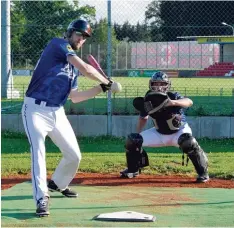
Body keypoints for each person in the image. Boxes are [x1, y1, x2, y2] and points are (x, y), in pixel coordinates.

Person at [21, 19, 115, 217]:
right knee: (38, 152)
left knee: (74, 156)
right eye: (79, 35)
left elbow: (75, 98)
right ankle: (41, 199)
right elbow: (87, 69)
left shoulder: (72, 69)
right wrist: (106, 80)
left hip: (57, 112)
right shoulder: (58, 44)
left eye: (85, 37)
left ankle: (57, 183)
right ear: (70, 33)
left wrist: (100, 88)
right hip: (35, 110)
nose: (82, 39)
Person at [120, 71, 209, 183]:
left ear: (167, 85)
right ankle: (133, 170)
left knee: (188, 141)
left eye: (162, 84)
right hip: (159, 133)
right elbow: (143, 118)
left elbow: (189, 102)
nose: (158, 87)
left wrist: (172, 103)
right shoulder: (148, 99)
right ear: (151, 84)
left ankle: (203, 173)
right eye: (155, 84)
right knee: (132, 140)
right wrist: (137, 135)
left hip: (179, 132)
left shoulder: (173, 96)